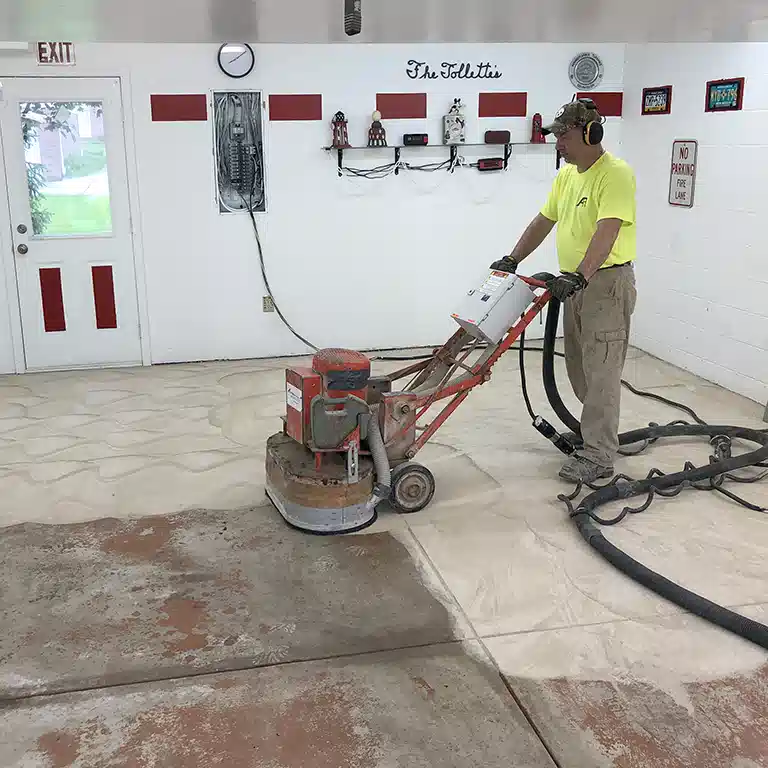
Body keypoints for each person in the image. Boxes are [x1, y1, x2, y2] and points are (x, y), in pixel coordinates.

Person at [490, 98, 637, 484]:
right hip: (573, 283)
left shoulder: (615, 174)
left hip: (604, 284)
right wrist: (513, 258)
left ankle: (600, 455)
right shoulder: (567, 176)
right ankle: (594, 436)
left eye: (563, 136)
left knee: (602, 372)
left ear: (590, 134)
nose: (557, 143)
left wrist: (582, 275)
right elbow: (544, 219)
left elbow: (607, 231)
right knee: (579, 368)